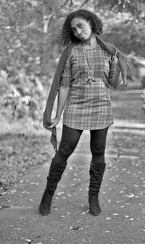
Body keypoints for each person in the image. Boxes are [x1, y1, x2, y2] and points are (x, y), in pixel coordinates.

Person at [39, 9, 129, 216]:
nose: (78, 31)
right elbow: (64, 85)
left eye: (80, 25)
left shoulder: (108, 51)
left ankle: (93, 197)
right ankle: (48, 194)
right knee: (64, 151)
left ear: (91, 22)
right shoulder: (71, 52)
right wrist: (57, 115)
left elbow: (114, 83)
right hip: (76, 107)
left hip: (101, 107)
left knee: (98, 152)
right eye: (73, 29)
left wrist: (116, 65)